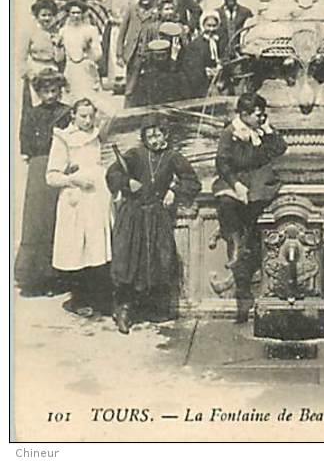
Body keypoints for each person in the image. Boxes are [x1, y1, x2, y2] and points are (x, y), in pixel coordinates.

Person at [106, 114, 201, 334]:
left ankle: (150, 308)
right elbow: (113, 172)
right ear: (144, 138)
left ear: (166, 134)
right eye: (150, 136)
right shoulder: (135, 154)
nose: (155, 139)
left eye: (159, 134)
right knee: (127, 262)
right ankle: (123, 310)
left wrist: (174, 190)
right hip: (132, 215)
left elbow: (192, 181)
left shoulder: (173, 156)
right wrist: (126, 182)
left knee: (158, 262)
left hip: (156, 217)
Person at [212, 93, 287, 322]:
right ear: (243, 115)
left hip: (260, 185)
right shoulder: (230, 133)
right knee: (227, 204)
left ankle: (245, 296)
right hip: (236, 181)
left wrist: (268, 128)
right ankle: (234, 241)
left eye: (263, 113)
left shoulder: (260, 131)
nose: (261, 116)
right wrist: (236, 185)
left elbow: (280, 148)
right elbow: (222, 163)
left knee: (253, 241)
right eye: (257, 114)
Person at [45, 98, 113, 317]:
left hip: (98, 198)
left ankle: (99, 298)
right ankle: (78, 298)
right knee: (78, 247)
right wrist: (74, 180)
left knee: (97, 246)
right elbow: (51, 176)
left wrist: (95, 105)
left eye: (91, 115)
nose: (87, 120)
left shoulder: (97, 135)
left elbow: (111, 113)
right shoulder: (64, 138)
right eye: (82, 115)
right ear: (72, 115)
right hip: (76, 198)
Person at [15, 69, 72, 295]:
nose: (50, 96)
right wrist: (32, 158)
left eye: (54, 91)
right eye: (46, 91)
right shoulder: (32, 113)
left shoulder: (66, 112)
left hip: (59, 165)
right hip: (39, 167)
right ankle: (33, 277)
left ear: (60, 90)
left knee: (57, 219)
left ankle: (57, 277)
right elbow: (25, 142)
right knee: (36, 219)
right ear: (38, 92)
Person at [116, 0, 160, 108]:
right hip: (133, 53)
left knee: (148, 84)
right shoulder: (132, 10)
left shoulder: (156, 12)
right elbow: (122, 32)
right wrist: (119, 54)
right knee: (131, 84)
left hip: (149, 53)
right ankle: (127, 110)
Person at [58, 0, 106, 110]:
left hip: (86, 68)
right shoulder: (63, 31)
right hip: (70, 70)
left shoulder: (91, 30)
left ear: (83, 13)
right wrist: (58, 46)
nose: (75, 15)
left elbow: (98, 54)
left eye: (78, 12)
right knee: (72, 101)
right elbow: (59, 58)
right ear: (68, 14)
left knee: (89, 99)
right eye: (73, 13)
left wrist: (89, 50)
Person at [20, 0, 65, 109]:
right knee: (37, 106)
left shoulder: (58, 32)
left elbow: (59, 59)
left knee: (54, 103)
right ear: (37, 16)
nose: (47, 18)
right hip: (36, 70)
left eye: (50, 15)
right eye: (43, 15)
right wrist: (31, 76)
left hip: (53, 70)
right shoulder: (30, 32)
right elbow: (21, 58)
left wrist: (58, 45)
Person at [179, 12, 222, 98]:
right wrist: (206, 71)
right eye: (208, 26)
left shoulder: (220, 41)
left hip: (219, 82)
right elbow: (192, 66)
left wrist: (220, 67)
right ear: (203, 25)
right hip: (203, 84)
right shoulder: (195, 45)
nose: (211, 29)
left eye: (214, 26)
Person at [102, 0, 134, 89]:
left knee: (124, 49)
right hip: (115, 27)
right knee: (113, 50)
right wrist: (113, 19)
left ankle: (125, 78)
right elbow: (108, 12)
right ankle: (115, 79)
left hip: (126, 28)